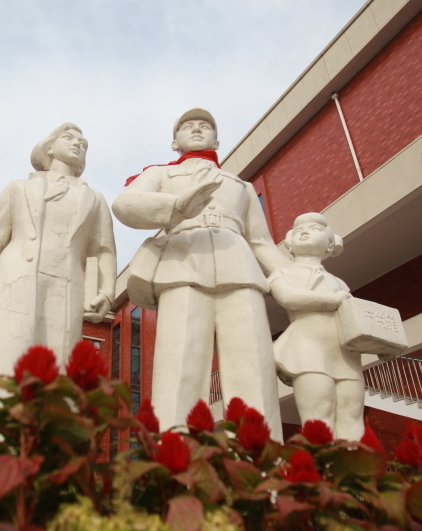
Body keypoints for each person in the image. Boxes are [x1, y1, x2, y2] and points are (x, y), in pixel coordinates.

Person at [112, 108, 290, 439]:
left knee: (252, 363)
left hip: (239, 267)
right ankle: (174, 452)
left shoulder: (240, 186)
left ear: (217, 140)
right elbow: (125, 204)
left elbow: (262, 242)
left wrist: (296, 275)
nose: (197, 129)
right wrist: (176, 208)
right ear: (174, 142)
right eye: (188, 126)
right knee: (180, 364)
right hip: (183, 264)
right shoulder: (162, 175)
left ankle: (260, 459)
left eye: (205, 126)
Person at [0, 123, 116, 396]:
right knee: (7, 351)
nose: (78, 144)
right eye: (69, 138)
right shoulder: (18, 188)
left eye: (84, 144)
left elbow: (103, 249)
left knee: (56, 360)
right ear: (49, 147)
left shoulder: (94, 199)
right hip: (15, 277)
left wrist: (106, 291)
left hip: (66, 285)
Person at [269, 213, 363, 440]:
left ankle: (355, 460)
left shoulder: (339, 283)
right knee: (319, 412)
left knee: (351, 412)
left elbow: (353, 317)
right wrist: (331, 301)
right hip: (307, 349)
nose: (304, 232)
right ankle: (324, 463)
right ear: (290, 244)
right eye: (298, 230)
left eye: (314, 229)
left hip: (344, 352)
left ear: (330, 245)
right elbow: (289, 298)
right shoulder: (282, 274)